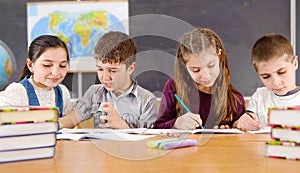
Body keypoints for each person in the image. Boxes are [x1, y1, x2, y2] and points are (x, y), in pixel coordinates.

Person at [59, 31, 157, 129]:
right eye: (100, 69)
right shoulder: (94, 93)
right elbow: (71, 119)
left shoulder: (147, 101)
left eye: (113, 70)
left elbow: (146, 141)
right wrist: (52, 124)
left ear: (130, 68)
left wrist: (121, 125)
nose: (105, 77)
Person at [154, 28, 245, 130]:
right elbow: (157, 127)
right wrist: (176, 123)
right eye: (196, 70)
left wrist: (231, 128)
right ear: (185, 67)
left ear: (220, 57)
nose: (206, 76)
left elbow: (239, 133)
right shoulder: (173, 88)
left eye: (211, 65)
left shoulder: (235, 100)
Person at [236, 34, 300, 130]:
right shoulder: (260, 97)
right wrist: (240, 122)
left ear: (294, 63)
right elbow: (245, 121)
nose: (275, 82)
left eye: (281, 72)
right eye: (266, 76)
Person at [0, 35, 73, 117]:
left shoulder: (63, 92)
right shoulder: (17, 92)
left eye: (62, 65)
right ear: (31, 65)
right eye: (47, 65)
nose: (56, 73)